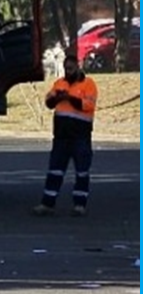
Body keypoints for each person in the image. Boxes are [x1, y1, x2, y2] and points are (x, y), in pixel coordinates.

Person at [32, 54, 99, 216]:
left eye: (71, 68)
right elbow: (49, 102)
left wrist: (69, 97)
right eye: (66, 68)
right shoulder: (59, 83)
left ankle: (79, 205)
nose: (68, 72)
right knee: (55, 170)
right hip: (61, 136)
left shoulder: (88, 84)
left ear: (78, 67)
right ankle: (47, 204)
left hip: (80, 136)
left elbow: (88, 105)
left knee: (82, 171)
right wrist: (57, 97)